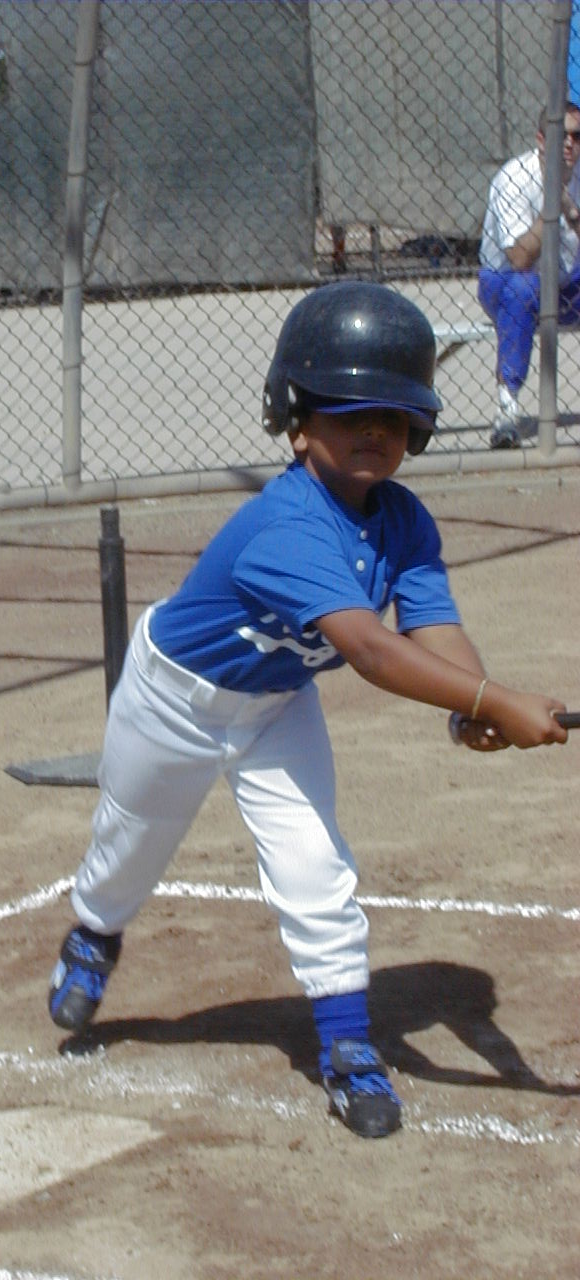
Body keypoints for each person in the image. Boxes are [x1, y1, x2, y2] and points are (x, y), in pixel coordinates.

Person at [46, 281, 568, 1140]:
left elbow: (433, 626)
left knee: (316, 866)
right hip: (172, 699)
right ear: (295, 423)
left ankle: (348, 1048)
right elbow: (370, 650)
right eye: (347, 412)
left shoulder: (403, 520)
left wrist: (472, 707)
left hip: (274, 707)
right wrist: (495, 702)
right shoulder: (285, 524)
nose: (373, 431)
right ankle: (95, 934)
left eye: (393, 417)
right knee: (129, 844)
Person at [478, 103, 580, 448]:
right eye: (560, 135)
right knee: (523, 289)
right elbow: (519, 258)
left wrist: (572, 211)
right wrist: (554, 204)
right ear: (540, 139)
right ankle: (507, 410)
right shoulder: (514, 179)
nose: (569, 143)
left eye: (577, 136)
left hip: (565, 283)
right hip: (504, 281)